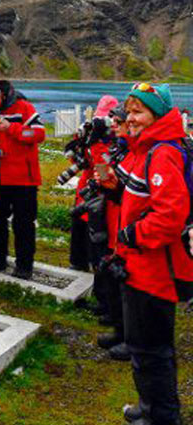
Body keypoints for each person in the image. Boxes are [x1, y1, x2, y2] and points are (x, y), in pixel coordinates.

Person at [108, 82, 192, 425]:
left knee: (150, 347)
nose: (131, 118)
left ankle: (163, 422)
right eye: (129, 111)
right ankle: (150, 403)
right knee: (144, 343)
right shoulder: (147, 150)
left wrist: (133, 235)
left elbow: (171, 214)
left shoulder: (162, 153)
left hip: (154, 270)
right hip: (140, 266)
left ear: (156, 115)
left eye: (138, 111)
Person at [0, 78, 45, 278]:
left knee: (23, 224)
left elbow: (38, 134)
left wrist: (11, 129)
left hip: (24, 179)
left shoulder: (23, 107)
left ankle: (24, 266)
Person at [94, 106, 131, 359]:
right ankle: (120, 330)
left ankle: (132, 338)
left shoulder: (138, 151)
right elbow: (103, 166)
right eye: (113, 121)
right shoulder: (120, 148)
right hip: (114, 219)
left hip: (127, 224)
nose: (113, 125)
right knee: (116, 279)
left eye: (118, 121)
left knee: (129, 285)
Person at [69, 96, 118, 273]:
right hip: (88, 189)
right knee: (81, 227)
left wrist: (96, 145)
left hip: (98, 193)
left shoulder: (114, 140)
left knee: (92, 231)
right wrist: (81, 145)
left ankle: (91, 265)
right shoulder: (94, 136)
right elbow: (80, 161)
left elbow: (104, 169)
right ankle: (78, 262)